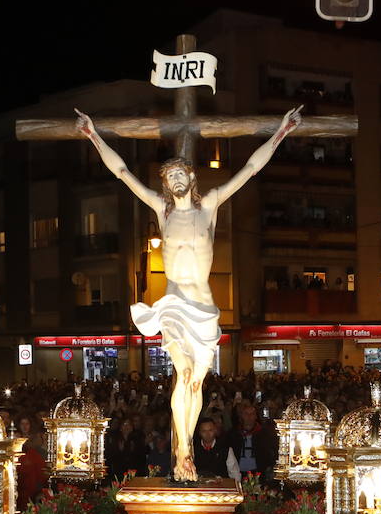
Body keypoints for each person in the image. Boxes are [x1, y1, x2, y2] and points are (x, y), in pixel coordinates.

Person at [77, 104, 301, 479]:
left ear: (191, 177)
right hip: (174, 303)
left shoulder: (208, 206)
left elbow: (250, 169)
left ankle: (186, 443)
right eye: (170, 177)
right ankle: (183, 448)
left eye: (181, 173)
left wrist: (281, 132)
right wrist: (93, 135)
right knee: (182, 373)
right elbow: (122, 172)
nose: (176, 179)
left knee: (195, 382)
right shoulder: (162, 210)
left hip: (203, 306)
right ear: (166, 185)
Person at [223, 401, 279, 482]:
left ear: (256, 416)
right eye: (246, 414)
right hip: (238, 473)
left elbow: (272, 452)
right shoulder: (233, 434)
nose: (249, 417)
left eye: (252, 414)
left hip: (259, 473)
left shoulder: (265, 434)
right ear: (241, 416)